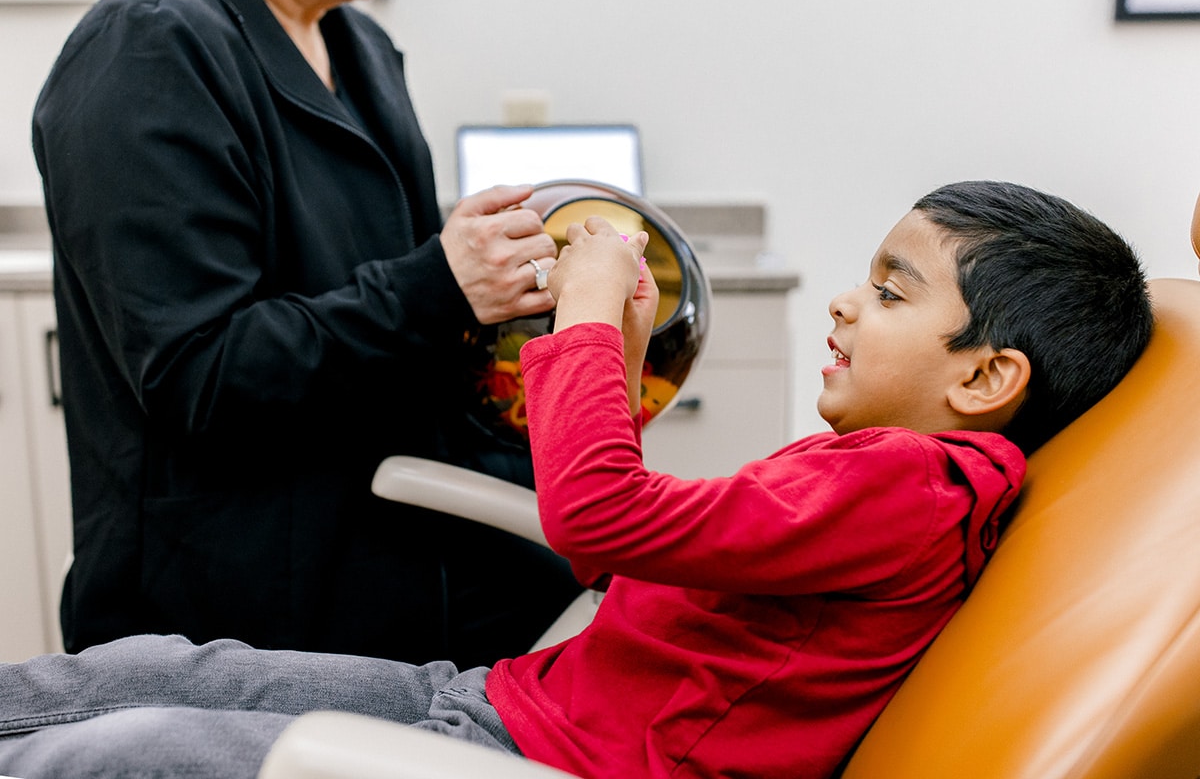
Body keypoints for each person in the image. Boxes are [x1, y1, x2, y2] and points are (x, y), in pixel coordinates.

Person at [0, 182, 1154, 779]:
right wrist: (624, 352)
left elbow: (595, 515)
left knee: (123, 749)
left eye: (892, 293)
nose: (849, 301)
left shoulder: (912, 487)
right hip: (514, 704)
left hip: (552, 757)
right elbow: (645, 542)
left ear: (987, 375)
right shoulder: (884, 472)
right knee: (158, 668)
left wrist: (592, 314)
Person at [31, 0, 583, 666]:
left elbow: (409, 327)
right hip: (230, 611)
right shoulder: (144, 47)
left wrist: (560, 345)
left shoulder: (361, 47)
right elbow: (201, 374)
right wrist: (439, 286)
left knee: (633, 614)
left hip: (388, 551)